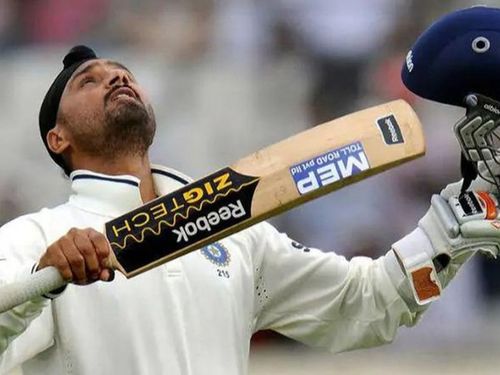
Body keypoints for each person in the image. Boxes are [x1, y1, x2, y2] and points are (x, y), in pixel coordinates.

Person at [0, 42, 499, 375]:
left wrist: (451, 226)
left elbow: (365, 305)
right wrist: (41, 282)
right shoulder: (35, 237)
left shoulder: (232, 225)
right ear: (56, 137)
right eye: (88, 81)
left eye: (123, 73)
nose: (115, 79)